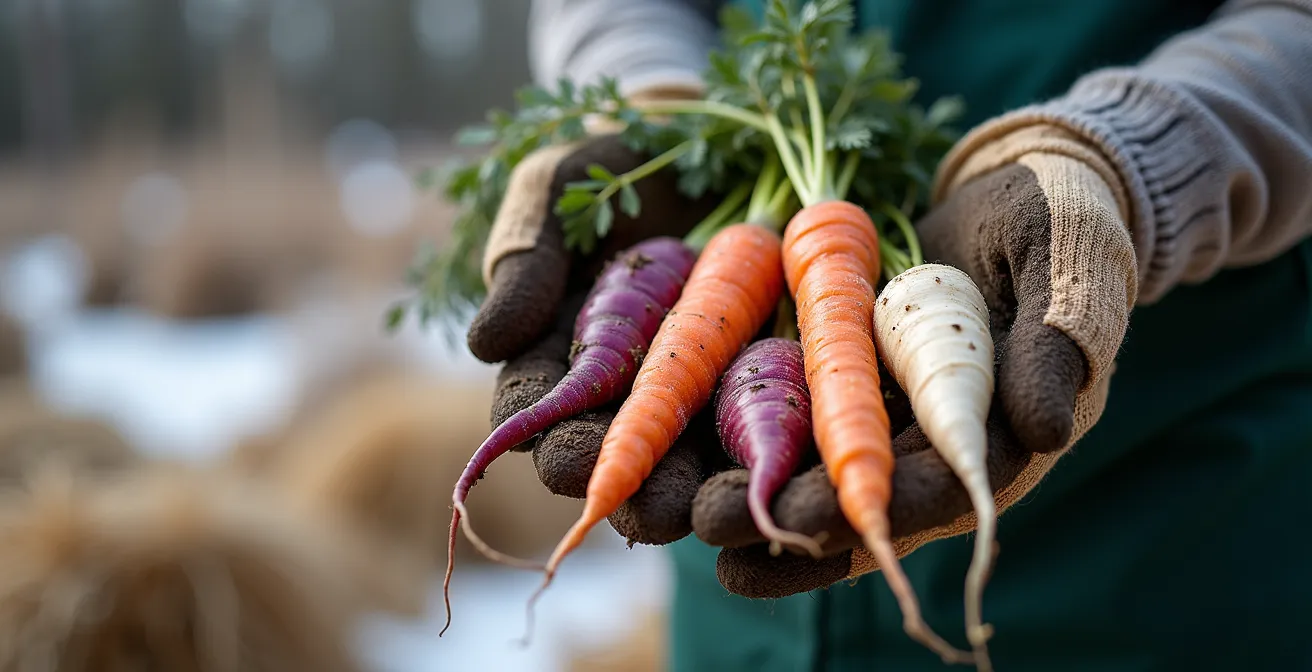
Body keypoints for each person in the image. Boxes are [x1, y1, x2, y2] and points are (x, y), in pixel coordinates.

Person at [468, 0, 1312, 669]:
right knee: (751, 494)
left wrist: (1123, 164)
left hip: (1162, 550)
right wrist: (655, 109)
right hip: (740, 633)